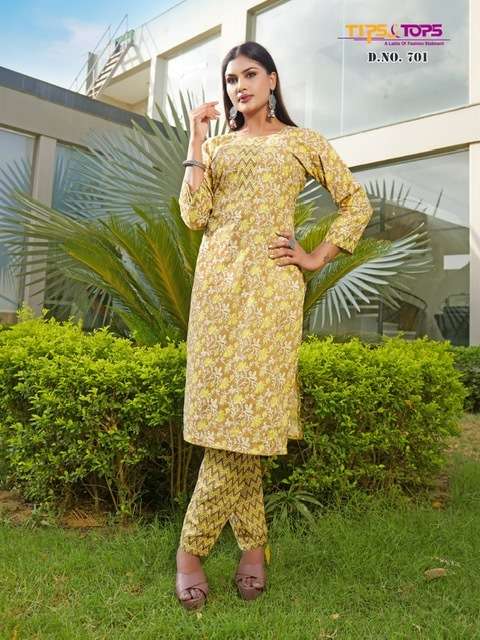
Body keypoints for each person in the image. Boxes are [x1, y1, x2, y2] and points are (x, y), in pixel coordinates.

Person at [175, 41, 373, 610]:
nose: (239, 86)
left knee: (251, 417)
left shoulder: (303, 142)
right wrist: (194, 143)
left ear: (272, 80)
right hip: (216, 292)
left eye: (250, 74)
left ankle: (190, 551)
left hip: (271, 293)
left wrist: (314, 257)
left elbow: (356, 203)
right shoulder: (216, 148)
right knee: (228, 419)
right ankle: (254, 550)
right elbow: (193, 216)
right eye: (231, 79)